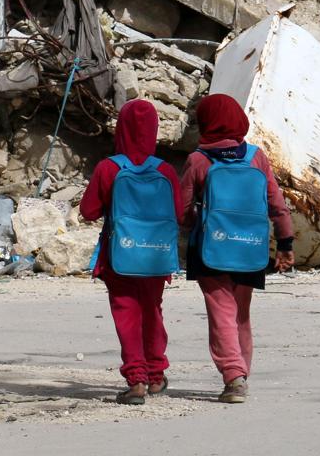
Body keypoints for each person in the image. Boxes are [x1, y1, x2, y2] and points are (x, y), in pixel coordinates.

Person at [181, 93, 294, 404]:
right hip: (251, 249)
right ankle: (241, 371)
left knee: (221, 312)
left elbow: (183, 210)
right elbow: (276, 204)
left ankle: (234, 376)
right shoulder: (256, 157)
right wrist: (285, 243)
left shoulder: (198, 160)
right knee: (241, 313)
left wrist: (195, 224)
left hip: (210, 249)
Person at [80, 99, 184, 405]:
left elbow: (88, 211)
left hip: (120, 256)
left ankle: (136, 379)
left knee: (126, 314)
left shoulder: (108, 168)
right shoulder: (164, 170)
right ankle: (156, 375)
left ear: (121, 128)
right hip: (156, 255)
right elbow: (177, 213)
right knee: (153, 311)